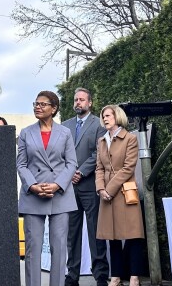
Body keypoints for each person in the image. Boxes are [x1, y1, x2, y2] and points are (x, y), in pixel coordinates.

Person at [17, 90, 78, 286]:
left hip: (60, 195)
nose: (37, 107)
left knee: (59, 248)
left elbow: (71, 164)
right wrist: (33, 186)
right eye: (36, 103)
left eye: (43, 104)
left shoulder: (65, 133)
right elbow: (21, 164)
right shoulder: (26, 132)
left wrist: (57, 185)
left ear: (54, 108)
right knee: (33, 249)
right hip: (33, 195)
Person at [63, 89, 109, 286]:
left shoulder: (99, 125)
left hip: (90, 185)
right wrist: (68, 173)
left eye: (82, 100)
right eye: (76, 100)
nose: (78, 102)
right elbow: (60, 153)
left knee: (95, 232)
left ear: (90, 103)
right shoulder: (65, 126)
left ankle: (100, 275)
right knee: (72, 234)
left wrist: (80, 172)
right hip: (69, 189)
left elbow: (99, 153)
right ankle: (72, 275)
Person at [96, 105, 145, 286]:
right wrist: (101, 189)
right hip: (106, 194)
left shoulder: (130, 138)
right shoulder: (101, 141)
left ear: (117, 116)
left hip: (125, 192)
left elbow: (128, 168)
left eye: (108, 115)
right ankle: (115, 276)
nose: (105, 118)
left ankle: (134, 277)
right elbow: (99, 168)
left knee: (133, 235)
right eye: (103, 116)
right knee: (112, 237)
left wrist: (109, 189)